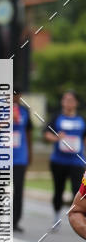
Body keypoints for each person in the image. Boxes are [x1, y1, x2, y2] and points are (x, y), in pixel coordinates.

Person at [44, 91, 86, 231]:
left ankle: (80, 218)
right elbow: (46, 134)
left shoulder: (81, 119)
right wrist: (56, 138)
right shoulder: (56, 117)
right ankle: (56, 217)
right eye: (65, 99)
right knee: (58, 190)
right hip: (59, 160)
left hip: (77, 161)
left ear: (76, 103)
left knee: (78, 190)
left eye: (71, 100)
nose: (68, 102)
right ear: (62, 102)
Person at [12, 89, 32, 233]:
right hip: (1, 158)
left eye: (16, 94)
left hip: (19, 158)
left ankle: (15, 221)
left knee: (18, 190)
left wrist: (30, 153)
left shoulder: (25, 111)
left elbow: (28, 132)